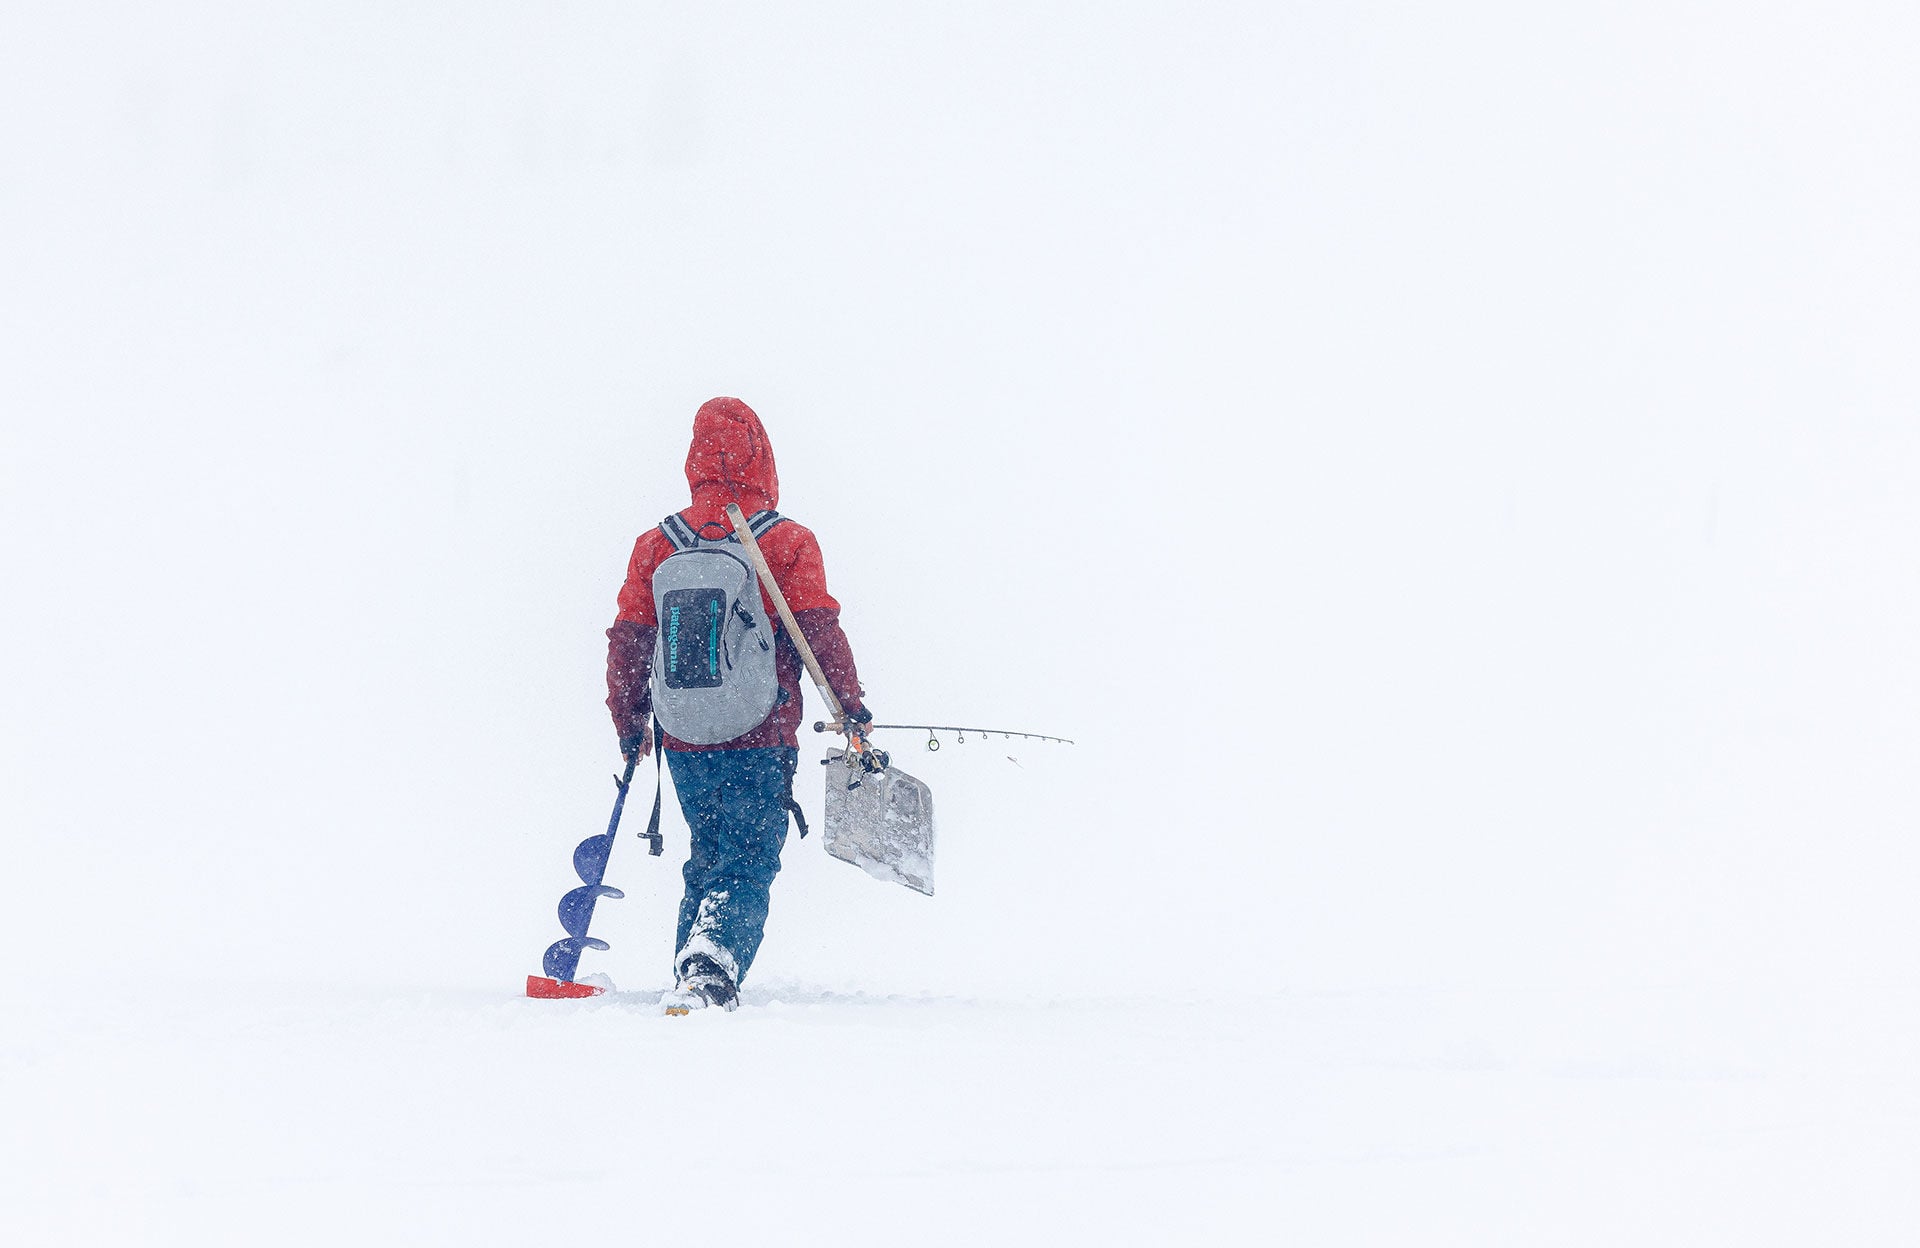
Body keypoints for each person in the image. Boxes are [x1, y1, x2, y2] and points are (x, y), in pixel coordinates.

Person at [605, 397, 870, 1013]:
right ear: (762, 454)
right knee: (747, 857)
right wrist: (851, 709)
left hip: (684, 735)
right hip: (761, 733)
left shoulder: (657, 545)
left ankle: (691, 972)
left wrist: (629, 722)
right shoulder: (786, 541)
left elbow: (630, 639)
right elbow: (818, 631)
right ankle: (708, 970)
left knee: (708, 853)